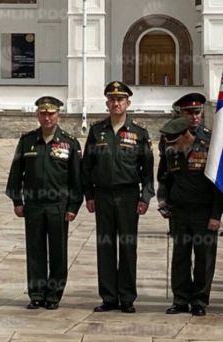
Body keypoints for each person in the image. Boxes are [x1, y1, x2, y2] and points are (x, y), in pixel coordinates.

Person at [81, 81, 154, 313]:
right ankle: (109, 297)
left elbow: (148, 169)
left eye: (120, 99)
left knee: (128, 247)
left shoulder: (139, 133)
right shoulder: (96, 131)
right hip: (102, 195)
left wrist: (145, 197)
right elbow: (86, 167)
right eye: (112, 100)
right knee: (105, 246)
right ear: (107, 103)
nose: (116, 103)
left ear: (127, 103)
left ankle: (127, 297)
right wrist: (89, 195)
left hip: (128, 196)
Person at [5, 96, 82, 310]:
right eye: (43, 113)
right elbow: (15, 173)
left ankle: (54, 295)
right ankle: (36, 294)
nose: (47, 117)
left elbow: (77, 179)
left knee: (58, 252)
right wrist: (17, 200)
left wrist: (73, 206)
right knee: (35, 250)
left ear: (59, 115)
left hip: (58, 205)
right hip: (34, 205)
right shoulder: (27, 140)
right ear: (37, 115)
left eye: (51, 113)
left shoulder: (70, 142)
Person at [158, 116, 223, 316]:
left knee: (204, 258)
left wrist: (216, 215)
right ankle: (180, 299)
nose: (173, 147)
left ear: (186, 135)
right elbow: (166, 179)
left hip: (204, 213)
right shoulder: (172, 152)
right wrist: (165, 204)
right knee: (180, 257)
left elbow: (218, 186)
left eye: (176, 142)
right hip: (179, 212)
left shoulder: (207, 149)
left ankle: (199, 301)